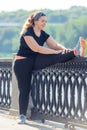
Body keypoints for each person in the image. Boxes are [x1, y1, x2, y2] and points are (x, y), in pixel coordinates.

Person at [13, 10, 86, 124]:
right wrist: (55, 52)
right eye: (42, 21)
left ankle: (75, 51)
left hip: (36, 60)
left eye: (45, 21)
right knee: (25, 89)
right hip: (23, 63)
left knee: (55, 57)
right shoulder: (27, 33)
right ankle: (22, 115)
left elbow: (55, 45)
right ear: (35, 21)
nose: (44, 23)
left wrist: (65, 50)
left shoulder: (44, 34)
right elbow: (37, 48)